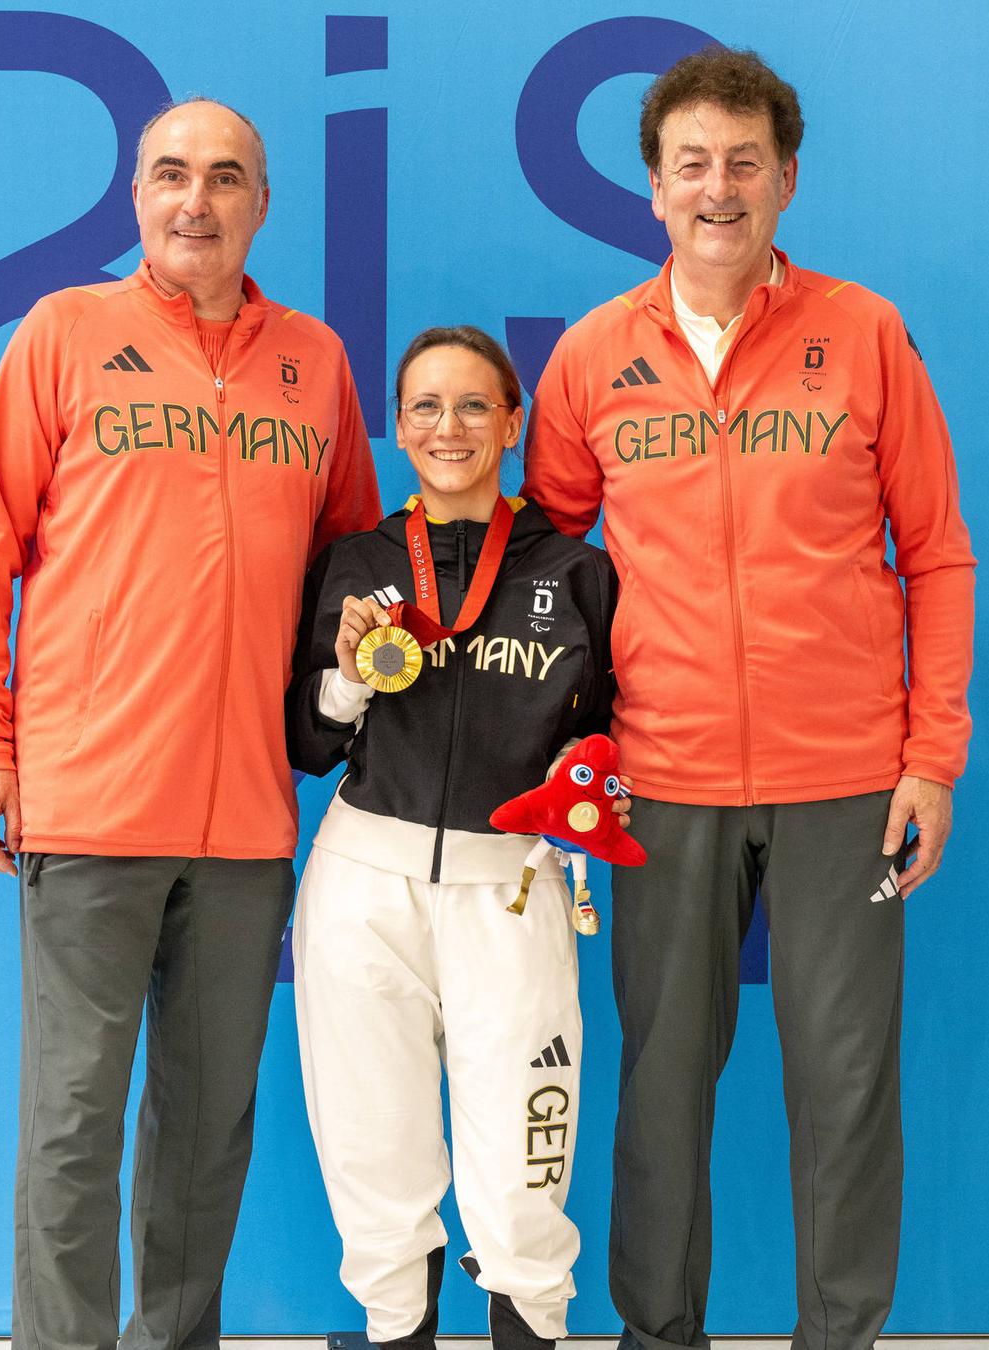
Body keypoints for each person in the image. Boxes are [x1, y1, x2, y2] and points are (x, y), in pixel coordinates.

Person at [523, 47, 976, 1350]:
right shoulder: (597, 356)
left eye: (741, 163)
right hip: (661, 783)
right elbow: (550, 575)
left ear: (784, 178)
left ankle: (840, 1336)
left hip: (847, 780)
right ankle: (657, 1336)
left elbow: (936, 553)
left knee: (844, 1087)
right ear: (653, 188)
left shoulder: (865, 334)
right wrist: (567, 759)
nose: (716, 188)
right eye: (690, 165)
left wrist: (930, 757)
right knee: (661, 1087)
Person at [0, 96, 383, 1350]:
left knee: (204, 1131)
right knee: (73, 1122)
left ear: (262, 205)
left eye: (227, 177)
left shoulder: (316, 364)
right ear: (136, 197)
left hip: (247, 818)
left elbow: (349, 572)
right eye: (172, 175)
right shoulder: (65, 335)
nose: (198, 200)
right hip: (89, 801)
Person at [287, 326, 619, 1350]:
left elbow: (612, 736)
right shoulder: (356, 564)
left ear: (513, 423)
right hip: (362, 887)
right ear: (396, 427)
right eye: (425, 407)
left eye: (475, 405)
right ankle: (400, 1331)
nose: (449, 427)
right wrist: (345, 676)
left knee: (525, 1158)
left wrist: (598, 777)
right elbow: (307, 738)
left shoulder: (577, 575)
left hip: (509, 890)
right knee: (372, 1149)